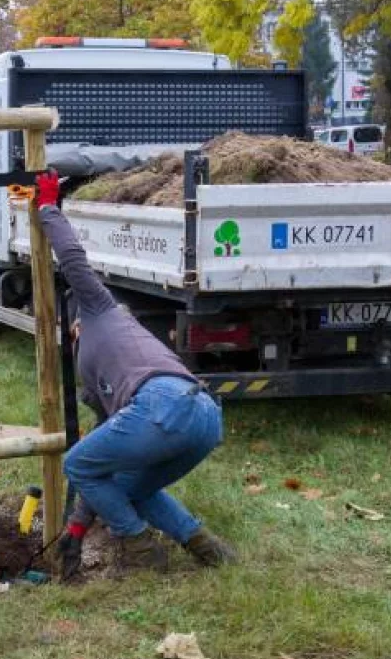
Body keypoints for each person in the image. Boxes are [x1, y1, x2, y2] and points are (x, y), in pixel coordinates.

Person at [32, 170, 237, 577]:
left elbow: (72, 258)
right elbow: (103, 462)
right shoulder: (112, 357)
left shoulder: (100, 308)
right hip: (203, 418)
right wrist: (75, 528)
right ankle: (204, 546)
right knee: (130, 489)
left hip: (162, 406)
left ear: (76, 322)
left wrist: (48, 208)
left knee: (75, 463)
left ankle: (141, 548)